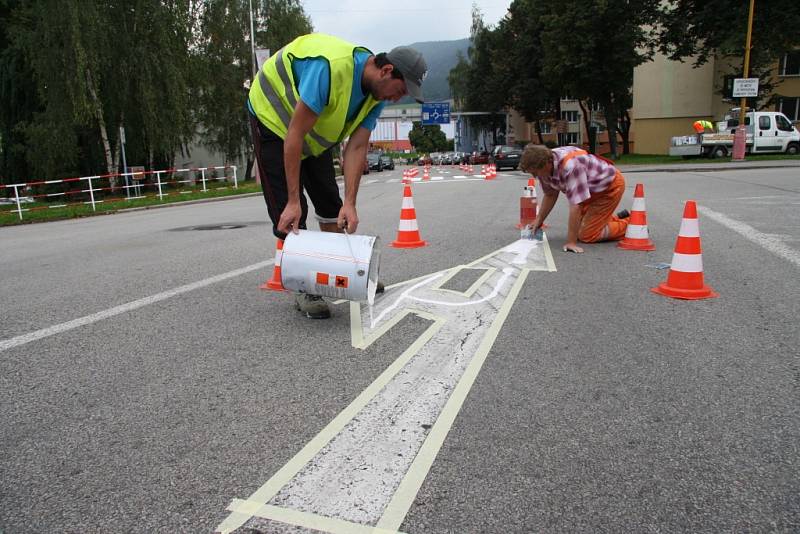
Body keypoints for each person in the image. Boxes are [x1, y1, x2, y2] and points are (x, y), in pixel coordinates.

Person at [248, 33, 427, 318]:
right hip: (273, 121)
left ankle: (341, 271)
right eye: (401, 90)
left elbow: (356, 147)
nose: (398, 97)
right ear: (386, 70)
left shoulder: (376, 95)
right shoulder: (330, 68)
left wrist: (350, 202)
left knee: (331, 204)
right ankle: (306, 287)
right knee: (292, 211)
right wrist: (294, 199)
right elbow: (294, 135)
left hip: (313, 133)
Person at [519, 145, 629, 254]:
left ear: (547, 163)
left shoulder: (571, 166)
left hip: (608, 188)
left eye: (535, 172)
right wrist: (539, 219)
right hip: (590, 191)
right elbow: (550, 195)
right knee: (582, 226)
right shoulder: (543, 166)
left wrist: (571, 242)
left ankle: (630, 225)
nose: (534, 176)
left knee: (587, 235)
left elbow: (576, 205)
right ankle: (612, 219)